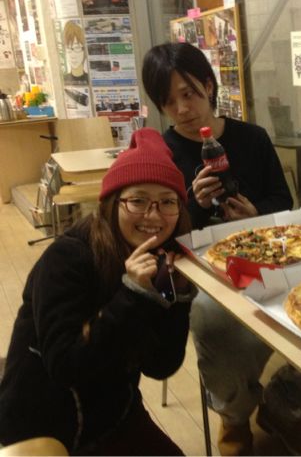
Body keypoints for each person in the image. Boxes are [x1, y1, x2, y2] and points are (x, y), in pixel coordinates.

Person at [142, 42, 301, 456]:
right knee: (214, 321)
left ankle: (285, 405)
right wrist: (191, 205)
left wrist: (255, 213)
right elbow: (154, 232)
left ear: (208, 86)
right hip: (200, 268)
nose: (183, 109)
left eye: (189, 94)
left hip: (266, 256)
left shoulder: (252, 138)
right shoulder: (162, 155)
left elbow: (283, 202)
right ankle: (234, 416)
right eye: (169, 102)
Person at [0, 128, 196, 455]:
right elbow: (65, 366)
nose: (153, 215)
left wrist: (178, 298)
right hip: (44, 425)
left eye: (167, 202)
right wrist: (132, 294)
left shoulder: (160, 262)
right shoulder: (69, 257)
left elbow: (160, 365)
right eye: (138, 200)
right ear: (112, 203)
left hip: (114, 413)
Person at [62, 21, 88, 85]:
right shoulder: (62, 81)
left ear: (84, 50)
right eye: (68, 48)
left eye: (77, 47)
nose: (72, 55)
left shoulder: (91, 79)